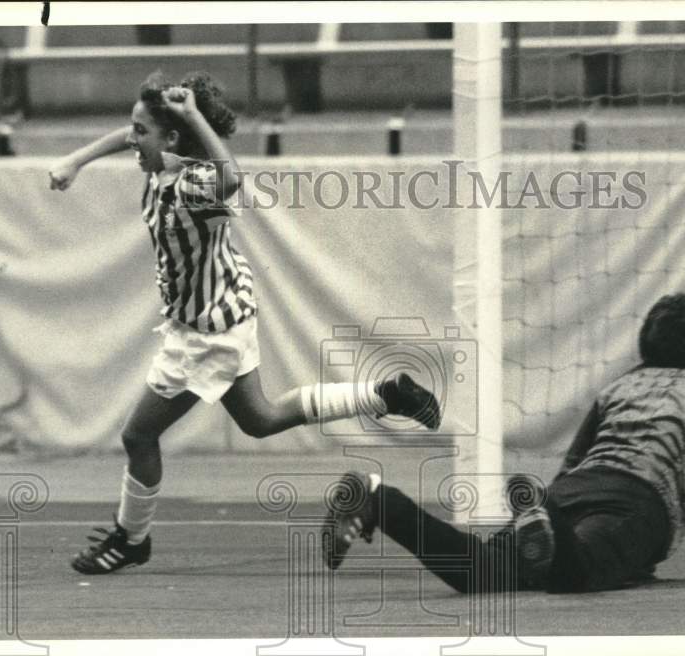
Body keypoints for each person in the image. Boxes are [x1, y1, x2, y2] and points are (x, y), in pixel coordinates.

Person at [48, 71, 440, 575]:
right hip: (226, 311)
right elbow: (126, 136)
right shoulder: (164, 160)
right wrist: (75, 160)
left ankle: (131, 537)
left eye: (141, 131)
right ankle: (387, 395)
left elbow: (231, 177)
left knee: (137, 436)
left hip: (206, 334)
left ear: (172, 138)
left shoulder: (193, 185)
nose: (131, 139)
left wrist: (190, 115)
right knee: (261, 419)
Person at [324, 292, 685, 592]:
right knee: (577, 575)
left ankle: (380, 499)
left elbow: (575, 460)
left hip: (573, 490)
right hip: (640, 501)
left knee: (480, 572)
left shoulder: (621, 386)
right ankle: (548, 523)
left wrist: (551, 505)